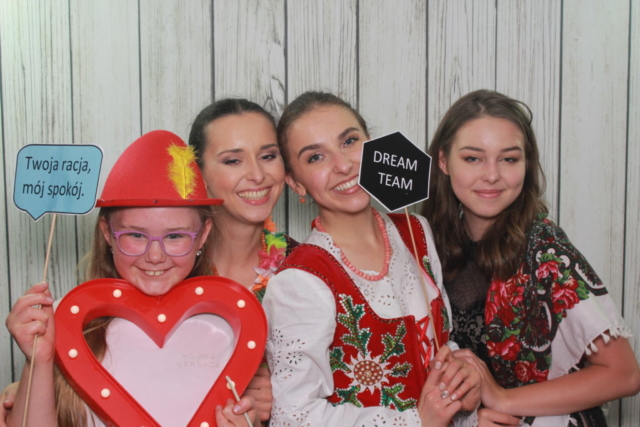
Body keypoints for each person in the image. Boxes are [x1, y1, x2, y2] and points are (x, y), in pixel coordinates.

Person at [5, 130, 260, 427]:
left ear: (203, 235)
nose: (155, 256)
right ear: (107, 233)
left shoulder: (228, 326)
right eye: (136, 236)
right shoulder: (66, 322)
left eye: (175, 236)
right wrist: (38, 360)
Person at [421, 89, 640, 426]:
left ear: (526, 163)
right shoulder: (425, 242)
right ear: (443, 161)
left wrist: (503, 399)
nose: (491, 175)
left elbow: (623, 374)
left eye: (509, 159)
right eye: (473, 158)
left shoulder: (544, 247)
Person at [263, 91, 481, 426]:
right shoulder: (300, 281)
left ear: (373, 145)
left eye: (350, 141)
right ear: (296, 183)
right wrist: (414, 422)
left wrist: (463, 386)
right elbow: (293, 417)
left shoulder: (417, 231)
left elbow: (442, 343)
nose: (343, 165)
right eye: (316, 157)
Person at [189, 98, 298, 423]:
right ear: (198, 173)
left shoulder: (307, 268)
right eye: (233, 160)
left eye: (268, 156)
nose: (257, 174)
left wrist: (283, 395)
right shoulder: (171, 268)